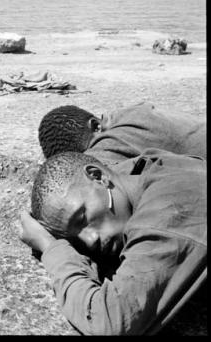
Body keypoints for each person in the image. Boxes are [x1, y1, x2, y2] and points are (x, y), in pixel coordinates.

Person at [18, 149, 206, 335]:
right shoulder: (138, 173)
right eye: (76, 239)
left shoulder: (169, 208)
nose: (90, 241)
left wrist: (50, 247)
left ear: (98, 176)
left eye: (82, 218)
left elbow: (110, 321)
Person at [37, 102, 206, 164]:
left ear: (96, 126)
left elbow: (83, 172)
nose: (98, 150)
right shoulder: (132, 113)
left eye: (92, 148)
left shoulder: (117, 137)